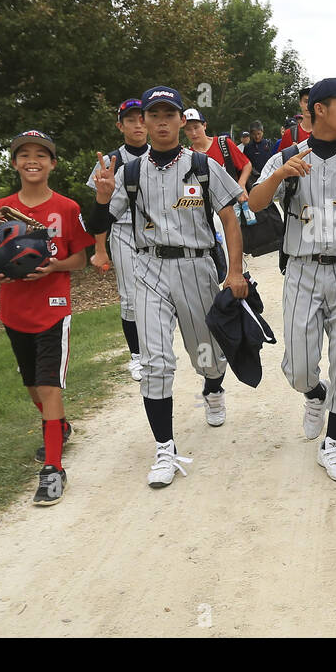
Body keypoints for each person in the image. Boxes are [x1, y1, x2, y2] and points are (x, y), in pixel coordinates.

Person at [87, 86, 250, 489]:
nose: (160, 122)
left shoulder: (201, 166)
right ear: (143, 120)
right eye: (152, 114)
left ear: (181, 120)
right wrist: (102, 199)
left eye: (168, 114)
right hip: (149, 269)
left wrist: (234, 272)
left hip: (195, 268)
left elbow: (229, 219)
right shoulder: (129, 172)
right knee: (155, 363)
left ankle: (213, 387)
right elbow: (101, 224)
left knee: (207, 357)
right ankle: (165, 448)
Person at [248, 77, 336, 483]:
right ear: (318, 108)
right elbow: (254, 202)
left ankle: (334, 443)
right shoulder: (289, 156)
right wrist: (279, 176)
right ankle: (314, 393)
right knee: (297, 367)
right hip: (302, 269)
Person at [0, 130, 93, 507]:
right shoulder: (0, 209)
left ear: (52, 164)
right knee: (32, 387)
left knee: (49, 387)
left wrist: (52, 267)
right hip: (14, 310)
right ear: (14, 163)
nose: (33, 160)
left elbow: (80, 259)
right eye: (24, 154)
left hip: (53, 307)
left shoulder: (67, 208)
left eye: (41, 155)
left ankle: (52, 470)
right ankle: (58, 426)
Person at [86, 99, 150, 384]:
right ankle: (137, 355)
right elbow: (100, 211)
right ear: (120, 125)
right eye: (131, 119)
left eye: (141, 118)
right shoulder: (110, 161)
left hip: (159, 232)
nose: (138, 124)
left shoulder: (165, 154)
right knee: (130, 297)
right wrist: (100, 249)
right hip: (124, 231)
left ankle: (158, 347)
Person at [183, 107, 254, 212]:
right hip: (208, 210)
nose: (193, 133)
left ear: (204, 126)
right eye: (188, 129)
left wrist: (241, 185)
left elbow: (246, 164)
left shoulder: (223, 143)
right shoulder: (189, 156)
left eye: (196, 127)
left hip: (234, 203)